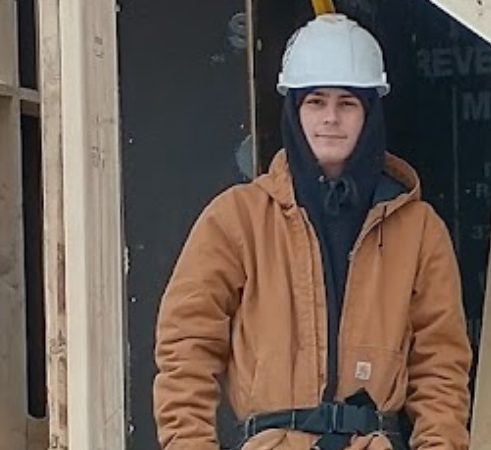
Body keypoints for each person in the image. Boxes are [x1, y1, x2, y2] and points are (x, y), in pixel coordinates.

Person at [152, 13, 473, 450]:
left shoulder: (418, 231)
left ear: (369, 112)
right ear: (294, 108)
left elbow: (441, 366)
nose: (331, 118)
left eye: (347, 103)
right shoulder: (237, 218)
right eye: (316, 101)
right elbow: (186, 345)